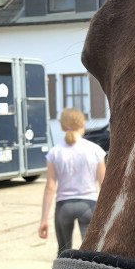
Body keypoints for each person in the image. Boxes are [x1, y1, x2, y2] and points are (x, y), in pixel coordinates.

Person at [38, 108, 106, 255]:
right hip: (89, 205)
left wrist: (43, 219)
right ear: (82, 125)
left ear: (63, 126)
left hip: (64, 207)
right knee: (91, 254)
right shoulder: (95, 150)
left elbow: (50, 187)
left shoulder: (55, 152)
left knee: (63, 252)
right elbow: (104, 185)